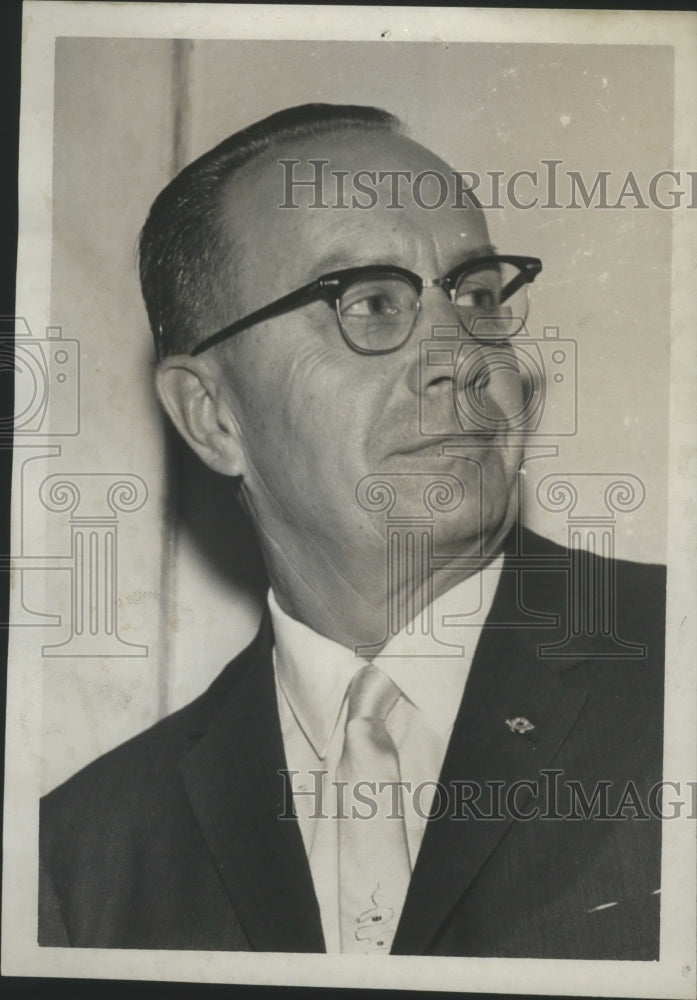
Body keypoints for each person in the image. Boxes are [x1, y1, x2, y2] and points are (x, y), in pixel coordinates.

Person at [39, 104, 665, 958]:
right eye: (370, 302)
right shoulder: (86, 855)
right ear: (212, 415)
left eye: (477, 294)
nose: (464, 354)